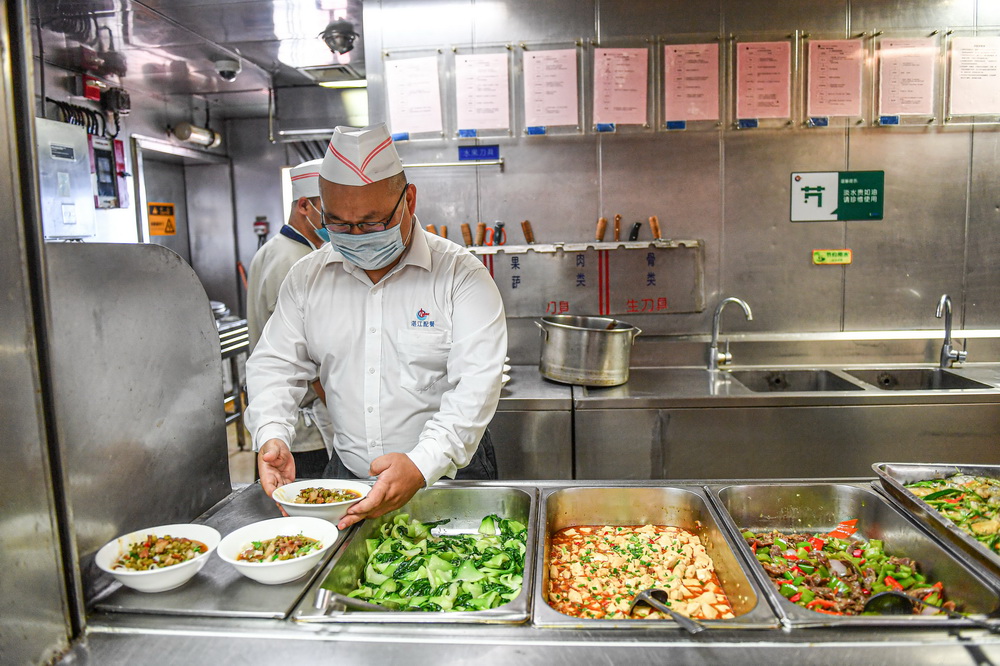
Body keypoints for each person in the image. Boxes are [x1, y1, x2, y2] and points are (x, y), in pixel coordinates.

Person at [245, 123, 507, 530]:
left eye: (370, 223)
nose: (355, 236)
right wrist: (272, 432)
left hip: (448, 476)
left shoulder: (461, 276)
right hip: (346, 477)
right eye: (338, 224)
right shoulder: (307, 278)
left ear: (409, 200)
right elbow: (275, 365)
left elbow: (476, 387)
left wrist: (420, 465)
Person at [246, 158, 334, 479]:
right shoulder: (296, 262)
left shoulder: (273, 250)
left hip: (280, 426)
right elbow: (303, 356)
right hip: (299, 434)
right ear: (304, 206)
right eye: (329, 210)